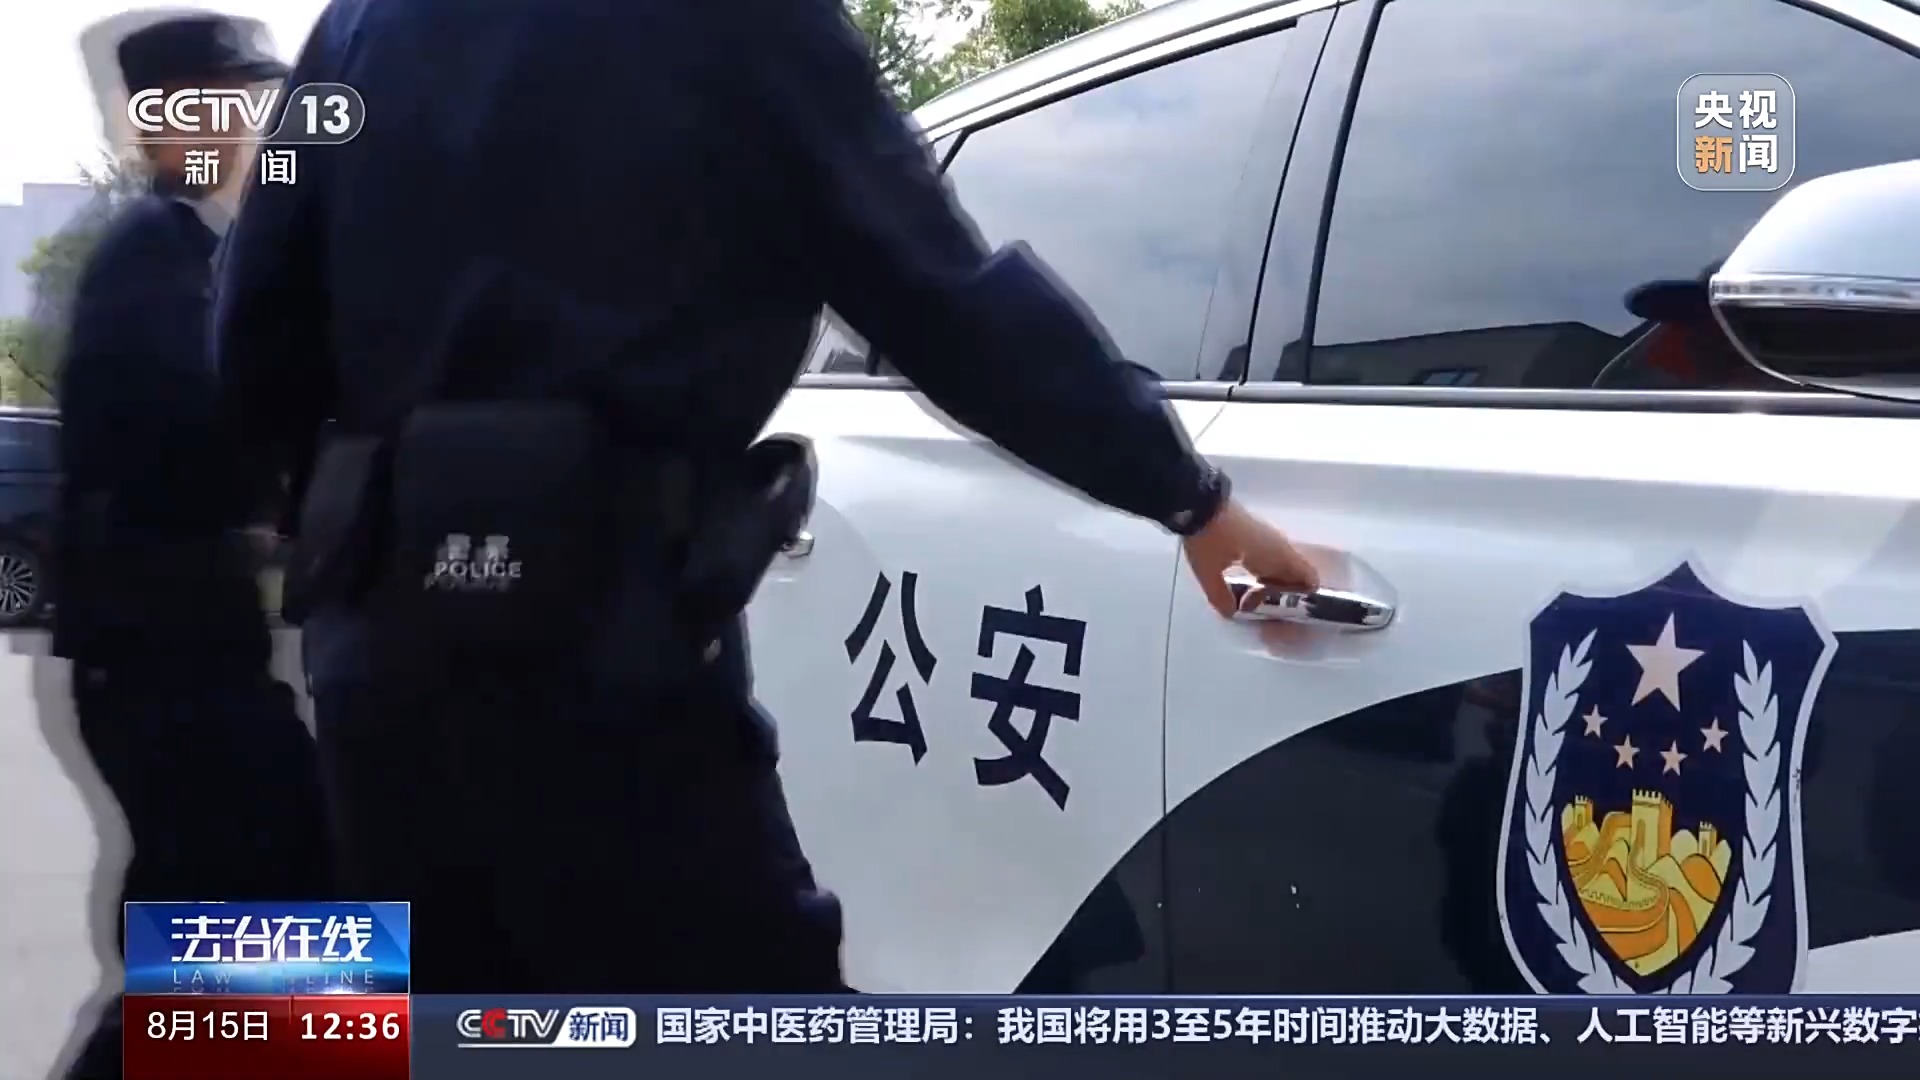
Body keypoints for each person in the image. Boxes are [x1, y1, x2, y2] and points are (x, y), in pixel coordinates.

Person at [210, 0, 1319, 994]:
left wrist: (362, 510)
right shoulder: (742, 25)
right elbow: (947, 301)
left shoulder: (352, 32)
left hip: (382, 668)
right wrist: (1188, 496)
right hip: (607, 664)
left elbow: (251, 322)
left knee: (429, 1017)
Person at [55, 14, 334, 1076]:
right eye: (236, 99)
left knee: (247, 927)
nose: (257, 122)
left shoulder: (191, 253)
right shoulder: (153, 260)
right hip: (163, 658)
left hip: (181, 652)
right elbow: (199, 428)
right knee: (281, 909)